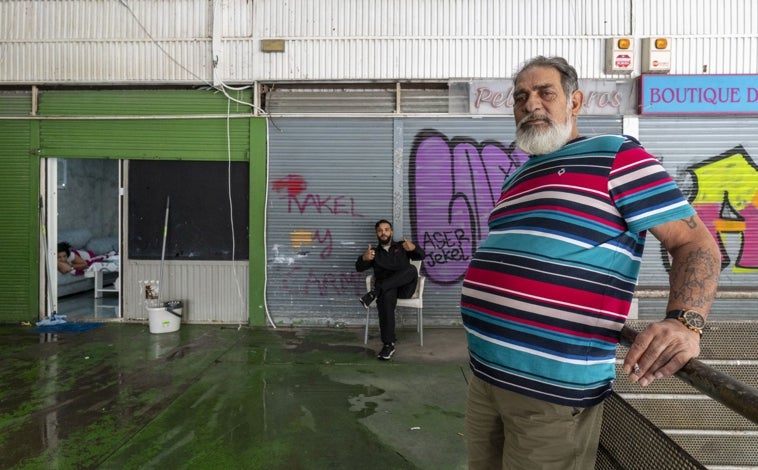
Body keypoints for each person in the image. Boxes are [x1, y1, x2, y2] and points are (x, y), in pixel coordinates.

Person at [461, 56, 721, 469]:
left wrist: (685, 321)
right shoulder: (519, 176)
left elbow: (695, 242)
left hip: (550, 393)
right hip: (486, 375)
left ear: (575, 101)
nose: (531, 105)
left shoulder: (617, 156)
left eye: (545, 93)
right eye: (521, 97)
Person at [356, 219, 425, 360]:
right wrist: (364, 258)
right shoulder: (373, 252)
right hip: (388, 292)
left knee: (411, 269)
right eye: (380, 230)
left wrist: (414, 248)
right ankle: (388, 345)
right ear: (376, 233)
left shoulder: (402, 246)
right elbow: (359, 267)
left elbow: (421, 256)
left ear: (391, 232)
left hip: (405, 289)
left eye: (386, 229)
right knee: (386, 298)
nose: (383, 232)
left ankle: (374, 293)